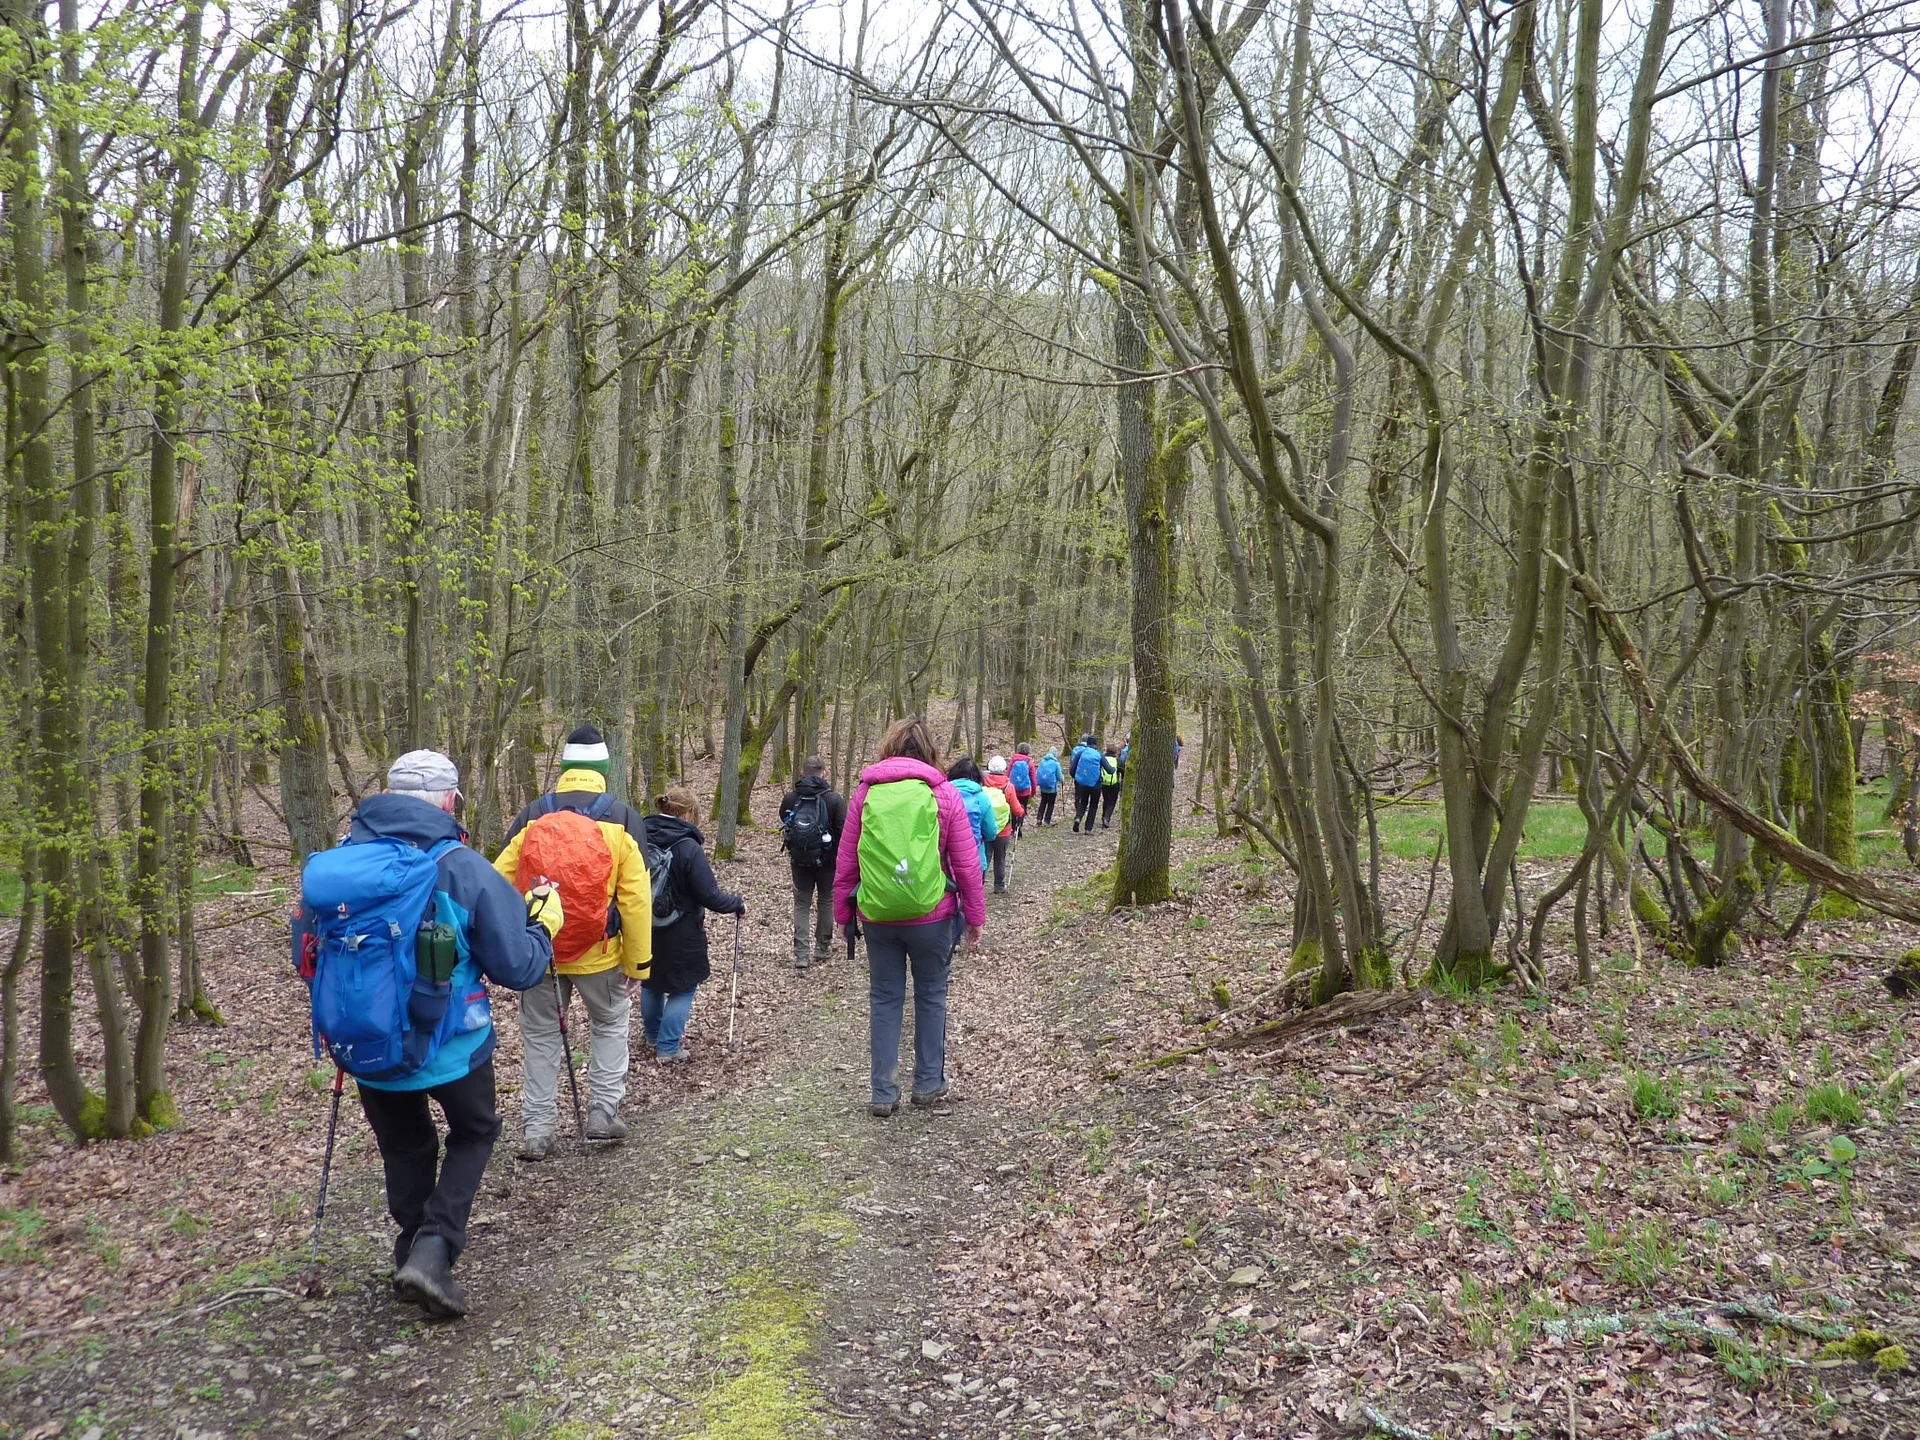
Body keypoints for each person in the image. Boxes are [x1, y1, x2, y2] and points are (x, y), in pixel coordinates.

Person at [294, 749, 560, 1320]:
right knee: (475, 1130)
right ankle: (433, 1248)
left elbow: (308, 955)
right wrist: (543, 927)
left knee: (405, 1145)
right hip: (452, 1043)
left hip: (365, 1041)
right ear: (447, 801)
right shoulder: (460, 867)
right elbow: (518, 967)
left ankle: (410, 1248)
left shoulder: (340, 866)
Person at [493, 724, 654, 1160]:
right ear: (603, 769)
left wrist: (512, 947)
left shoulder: (531, 816)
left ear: (564, 768)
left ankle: (537, 1130)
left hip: (540, 951)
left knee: (540, 1035)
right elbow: (637, 898)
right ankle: (603, 1112)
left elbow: (497, 884)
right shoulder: (622, 819)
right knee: (610, 1022)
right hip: (599, 952)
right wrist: (638, 964)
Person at [834, 717, 987, 1117]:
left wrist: (843, 915)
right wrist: (975, 917)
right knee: (932, 995)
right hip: (932, 915)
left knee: (884, 998)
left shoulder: (866, 793)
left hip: (878, 915)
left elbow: (847, 860)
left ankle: (883, 1092)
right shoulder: (943, 793)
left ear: (889, 747)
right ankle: (928, 1083)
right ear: (930, 750)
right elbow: (966, 864)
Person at [641, 785, 746, 1062]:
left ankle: (652, 1035)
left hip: (642, 924)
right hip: (681, 930)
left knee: (650, 980)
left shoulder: (640, 837)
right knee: (683, 986)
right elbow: (710, 895)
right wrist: (736, 904)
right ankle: (668, 1047)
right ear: (688, 813)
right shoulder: (688, 846)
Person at [780, 755, 846, 971]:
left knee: (802, 904)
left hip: (799, 860)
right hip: (828, 862)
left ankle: (801, 954)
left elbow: (784, 820)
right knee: (825, 901)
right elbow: (842, 830)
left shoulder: (791, 798)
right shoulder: (834, 799)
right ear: (823, 773)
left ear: (803, 773)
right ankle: (822, 947)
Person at [982, 756, 1025, 893]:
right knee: (1000, 858)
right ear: (1004, 769)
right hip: (1004, 830)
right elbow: (1017, 810)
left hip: (986, 828)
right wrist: (1022, 811)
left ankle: (978, 884)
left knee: (985, 857)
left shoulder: (983, 784)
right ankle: (999, 885)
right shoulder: (1008, 787)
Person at [1069, 733, 1103, 833]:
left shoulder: (1080, 753)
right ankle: (1088, 828)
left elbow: (1072, 769)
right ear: (1096, 744)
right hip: (1096, 785)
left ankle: (1078, 818)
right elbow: (1109, 769)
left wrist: (1077, 778)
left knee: (1083, 802)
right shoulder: (1099, 754)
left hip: (1082, 784)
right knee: (1093, 806)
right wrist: (1114, 769)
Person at [1006, 744, 1038, 836]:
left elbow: (1007, 774)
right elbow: (1033, 779)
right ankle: (1019, 827)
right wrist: (1033, 791)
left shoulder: (1013, 760)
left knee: (1013, 809)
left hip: (1013, 790)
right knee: (1022, 808)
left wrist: (1006, 788)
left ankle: (1013, 827)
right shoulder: (1029, 762)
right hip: (1025, 791)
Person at [1035, 747, 1062, 827]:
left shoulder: (1042, 761)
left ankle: (1039, 819)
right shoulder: (1056, 763)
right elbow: (1060, 777)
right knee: (1050, 804)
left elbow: (1038, 773)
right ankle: (1047, 821)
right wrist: (1061, 779)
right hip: (1052, 788)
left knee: (1043, 802)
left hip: (1043, 787)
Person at [1099, 743, 1123, 829]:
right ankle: (1107, 818)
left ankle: (1103, 816)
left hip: (1104, 783)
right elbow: (1123, 770)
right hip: (1114, 784)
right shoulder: (1117, 761)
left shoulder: (1102, 759)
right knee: (1112, 801)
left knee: (1106, 800)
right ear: (1115, 752)